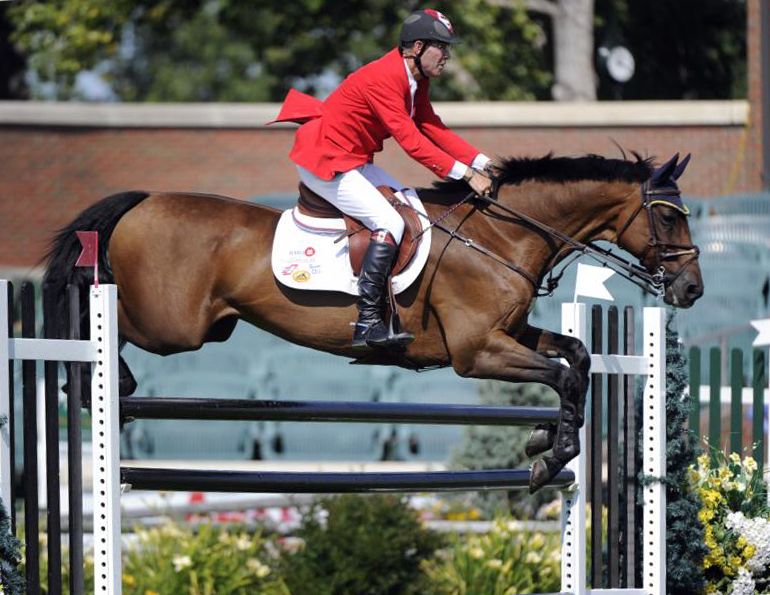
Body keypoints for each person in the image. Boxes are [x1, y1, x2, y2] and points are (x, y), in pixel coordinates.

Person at [273, 9, 494, 350]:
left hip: (352, 159)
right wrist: (465, 174)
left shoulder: (416, 78)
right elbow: (411, 141)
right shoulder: (384, 78)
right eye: (442, 47)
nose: (447, 56)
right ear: (417, 48)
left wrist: (483, 162)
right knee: (389, 221)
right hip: (326, 161)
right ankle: (367, 320)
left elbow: (431, 126)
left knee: (410, 206)